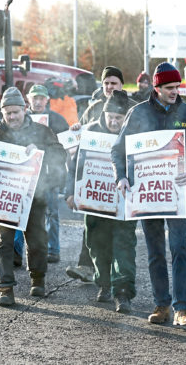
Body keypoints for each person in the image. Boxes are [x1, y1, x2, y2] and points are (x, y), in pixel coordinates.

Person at [112, 62, 186, 326]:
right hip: (147, 194)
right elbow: (117, 151)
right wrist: (121, 176)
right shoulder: (138, 113)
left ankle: (182, 309)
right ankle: (161, 305)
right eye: (169, 88)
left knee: (179, 248)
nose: (175, 91)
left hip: (178, 192)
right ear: (156, 88)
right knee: (155, 251)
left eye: (177, 87)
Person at [0, 87, 66, 306]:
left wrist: (40, 150)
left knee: (37, 241)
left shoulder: (42, 132)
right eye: (8, 113)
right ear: (2, 112)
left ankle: (38, 280)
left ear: (25, 109)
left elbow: (60, 154)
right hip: (4, 199)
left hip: (35, 197)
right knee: (4, 243)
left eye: (16, 111)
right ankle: (5, 288)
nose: (12, 117)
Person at [65, 90, 138, 313]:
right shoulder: (90, 133)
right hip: (95, 201)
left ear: (125, 117)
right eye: (111, 117)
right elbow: (74, 166)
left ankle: (122, 292)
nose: (114, 122)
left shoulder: (134, 133)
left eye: (119, 118)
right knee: (97, 244)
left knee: (123, 246)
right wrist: (70, 192)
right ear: (103, 115)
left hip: (124, 201)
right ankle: (104, 284)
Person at [65, 66, 129, 283]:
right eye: (106, 83)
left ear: (121, 85)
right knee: (91, 227)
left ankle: (111, 276)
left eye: (114, 83)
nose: (110, 87)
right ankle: (89, 267)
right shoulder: (93, 107)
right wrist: (76, 131)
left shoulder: (132, 109)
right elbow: (82, 136)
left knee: (118, 235)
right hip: (95, 181)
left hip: (119, 185)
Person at [12, 85, 70, 264]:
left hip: (49, 175)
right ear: (27, 99)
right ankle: (16, 253)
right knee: (19, 212)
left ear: (47, 100)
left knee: (52, 213)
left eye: (41, 98)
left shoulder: (58, 121)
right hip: (24, 175)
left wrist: (74, 133)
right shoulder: (19, 119)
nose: (37, 101)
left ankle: (53, 250)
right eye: (34, 98)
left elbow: (65, 147)